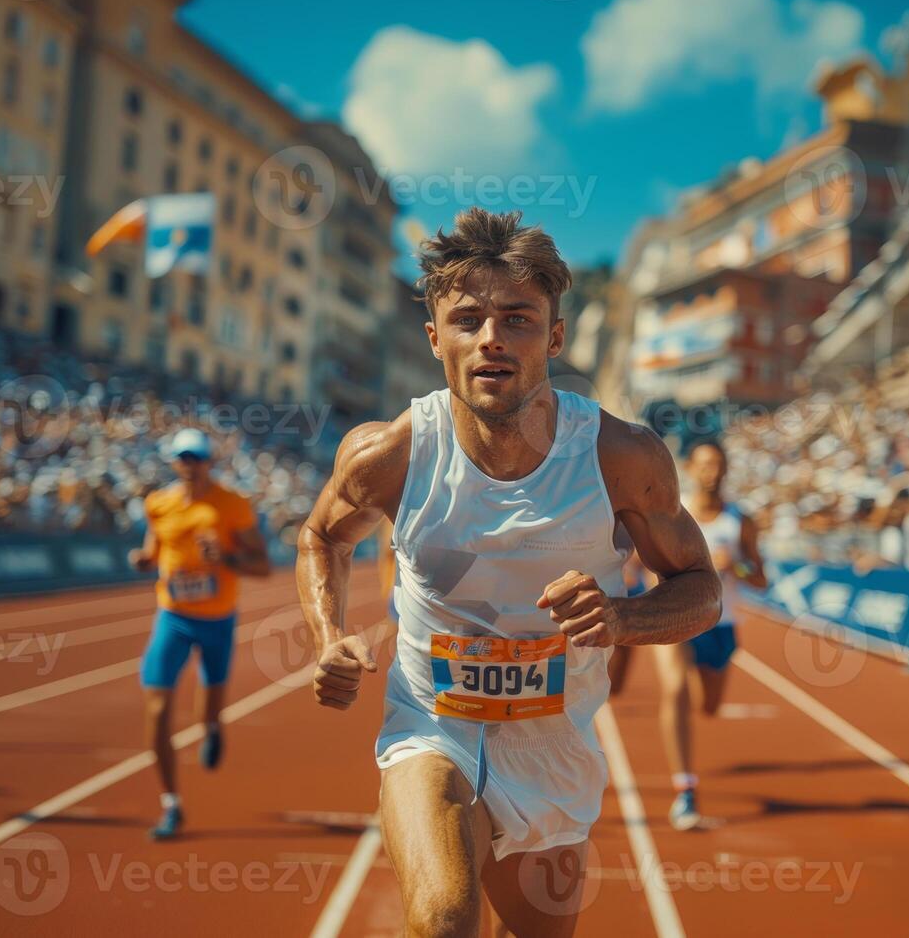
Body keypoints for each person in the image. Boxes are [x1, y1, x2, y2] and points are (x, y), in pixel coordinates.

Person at [295, 208, 720, 937]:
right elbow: (321, 537)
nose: (491, 337)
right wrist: (328, 634)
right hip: (432, 724)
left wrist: (620, 619)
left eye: (517, 318)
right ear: (436, 340)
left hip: (553, 747)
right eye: (467, 319)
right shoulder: (390, 453)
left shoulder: (621, 457)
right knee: (443, 921)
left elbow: (701, 590)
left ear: (554, 337)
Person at [611, 441, 768, 830]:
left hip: (722, 624)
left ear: (727, 468)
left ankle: (702, 697)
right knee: (675, 688)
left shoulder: (740, 521)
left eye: (717, 464)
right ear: (691, 470)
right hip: (678, 619)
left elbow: (761, 579)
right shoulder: (672, 516)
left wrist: (740, 567)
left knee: (709, 705)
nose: (710, 472)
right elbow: (641, 561)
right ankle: (686, 791)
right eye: (703, 465)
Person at [127, 428, 270, 840]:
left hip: (217, 620)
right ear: (173, 462)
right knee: (156, 710)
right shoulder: (158, 504)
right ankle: (171, 803)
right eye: (182, 457)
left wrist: (224, 557)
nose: (190, 465)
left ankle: (211, 727)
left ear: (209, 461)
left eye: (197, 457)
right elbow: (153, 549)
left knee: (206, 712)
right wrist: (142, 560)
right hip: (172, 616)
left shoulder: (231, 505)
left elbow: (261, 566)